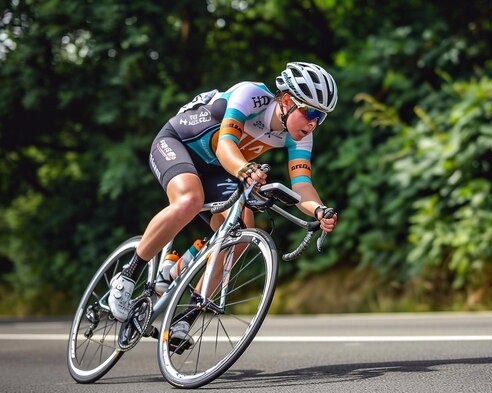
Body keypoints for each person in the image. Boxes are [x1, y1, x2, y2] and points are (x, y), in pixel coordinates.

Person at [108, 62, 339, 338]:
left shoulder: (300, 138)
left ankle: (187, 314)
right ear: (287, 100)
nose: (313, 123)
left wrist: (318, 211)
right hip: (177, 144)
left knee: (242, 232)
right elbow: (225, 145)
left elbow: (302, 185)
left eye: (321, 118)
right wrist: (245, 169)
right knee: (189, 200)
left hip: (217, 167)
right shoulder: (251, 95)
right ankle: (128, 276)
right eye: (310, 112)